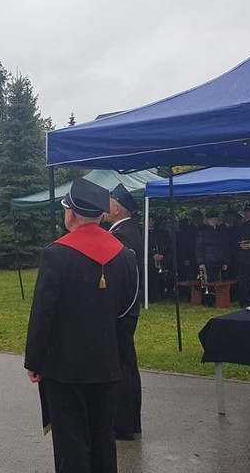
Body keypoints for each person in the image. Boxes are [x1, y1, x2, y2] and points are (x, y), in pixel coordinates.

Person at [25, 178, 139, 473]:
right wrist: (120, 356)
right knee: (103, 437)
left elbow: (43, 314)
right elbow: (129, 313)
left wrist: (35, 360)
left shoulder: (55, 254)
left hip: (64, 368)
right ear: (102, 215)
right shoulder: (126, 256)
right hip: (107, 363)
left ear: (70, 214)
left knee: (71, 441)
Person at [102, 183, 143, 441]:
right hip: (127, 306)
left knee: (121, 364)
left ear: (116, 206)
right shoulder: (129, 230)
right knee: (127, 361)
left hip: (121, 308)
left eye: (108, 201)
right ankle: (130, 420)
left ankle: (123, 423)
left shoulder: (121, 236)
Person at [195, 211, 230, 306]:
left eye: (215, 219)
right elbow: (199, 248)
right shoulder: (202, 232)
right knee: (207, 281)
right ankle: (207, 301)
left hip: (218, 260)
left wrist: (225, 262)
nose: (213, 221)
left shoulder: (221, 231)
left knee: (217, 281)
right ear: (207, 220)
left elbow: (225, 247)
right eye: (211, 220)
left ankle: (216, 299)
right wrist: (200, 262)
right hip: (207, 261)